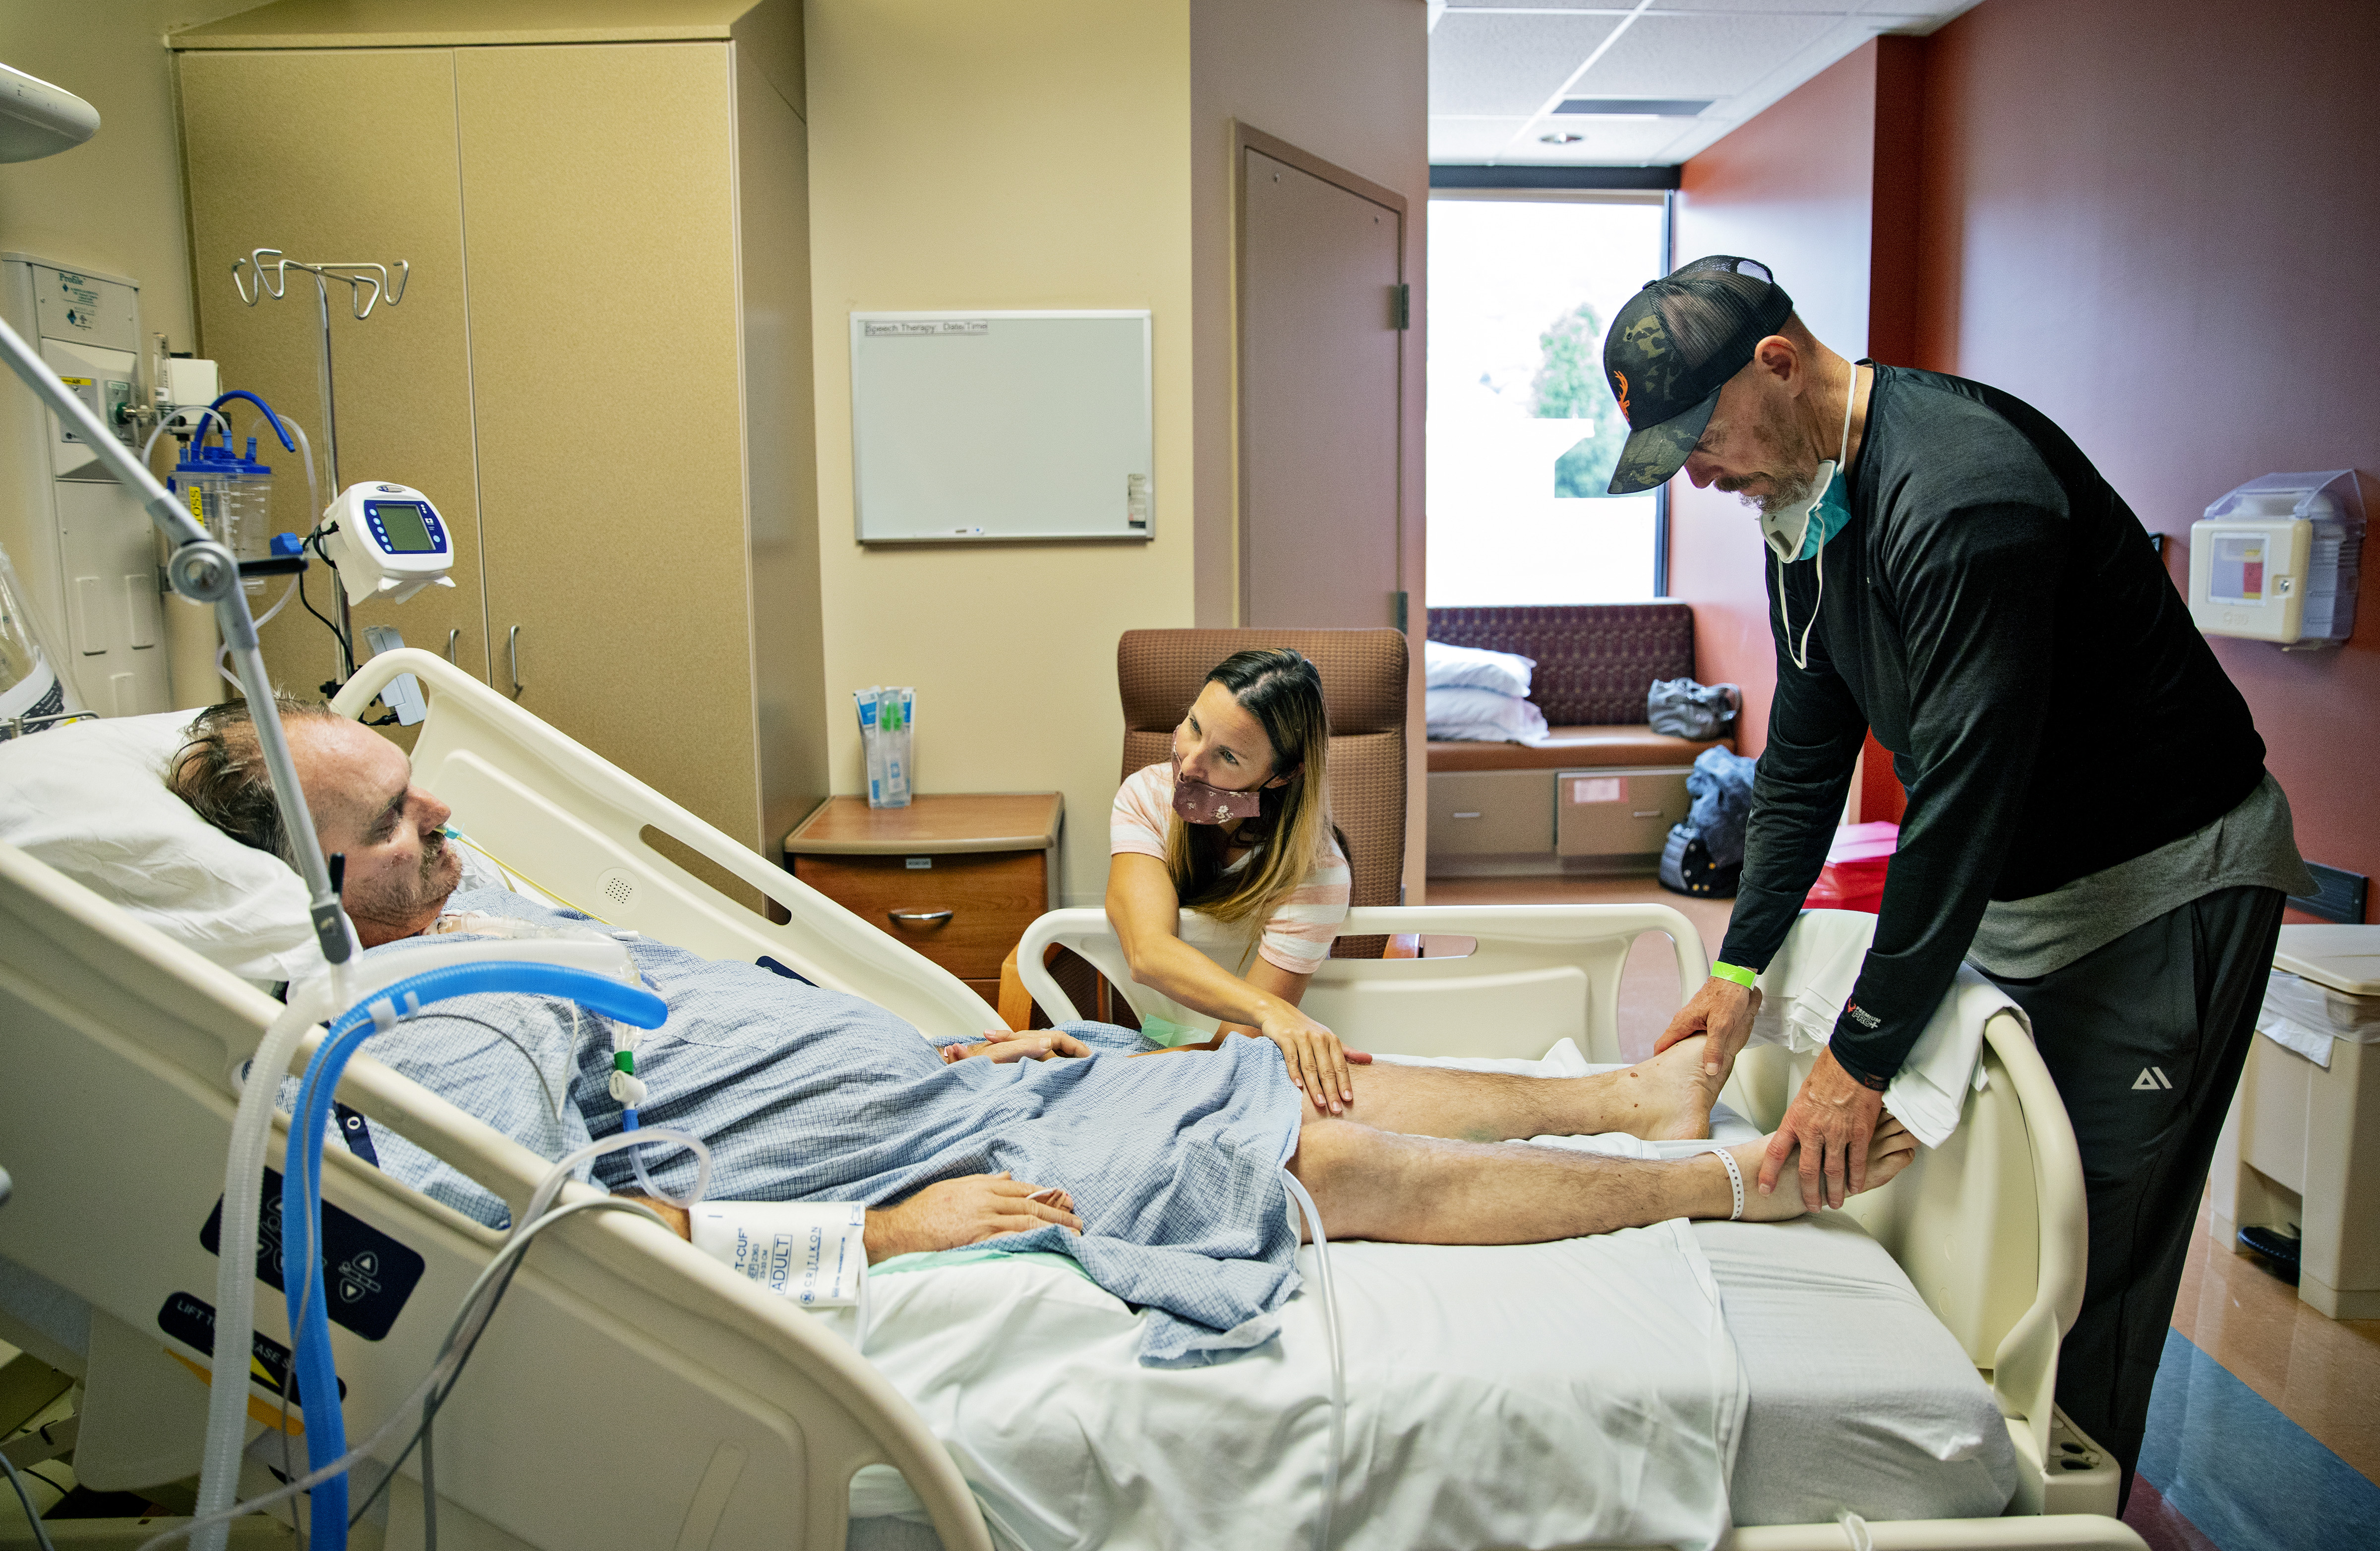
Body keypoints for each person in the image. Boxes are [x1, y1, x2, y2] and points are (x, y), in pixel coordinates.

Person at [167, 697, 1920, 1364]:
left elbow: (693, 1032)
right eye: (394, 825)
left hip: (938, 1085)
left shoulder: (479, 909)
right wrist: (880, 1223)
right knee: (1312, 1147)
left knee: (1263, 1067)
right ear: (310, 885)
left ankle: (1630, 1087)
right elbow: (541, 1232)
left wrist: (942, 1047)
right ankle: (1723, 1184)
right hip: (909, 1161)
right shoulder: (422, 1025)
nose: (445, 827)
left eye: (420, 792)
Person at [1597, 254, 2313, 1501]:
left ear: (1775, 361)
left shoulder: (1963, 494)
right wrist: (1737, 965)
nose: (1694, 474)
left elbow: (1965, 794)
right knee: (1994, 1200)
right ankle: (1981, 1490)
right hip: (2018, 882)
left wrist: (1858, 1052)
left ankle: (2055, 1512)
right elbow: (1807, 757)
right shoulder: (1804, 512)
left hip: (2158, 882)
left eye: (1696, 437)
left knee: (2084, 1240)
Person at [1104, 648, 1360, 1114]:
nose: (1189, 765)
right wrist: (1270, 1010)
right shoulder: (1147, 797)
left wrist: (1111, 1075)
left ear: (1281, 775)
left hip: (1247, 1068)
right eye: (1194, 726)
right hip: (1161, 1041)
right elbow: (1147, 953)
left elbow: (1232, 1054)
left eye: (1226, 756)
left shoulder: (1317, 872)